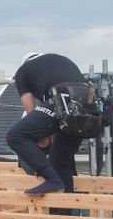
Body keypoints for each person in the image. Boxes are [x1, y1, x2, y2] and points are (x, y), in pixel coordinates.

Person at [5, 52, 85, 195]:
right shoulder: (58, 62)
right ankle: (64, 208)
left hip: (65, 99)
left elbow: (30, 111)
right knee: (60, 160)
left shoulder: (23, 73)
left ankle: (53, 181)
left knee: (16, 136)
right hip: (88, 106)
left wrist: (42, 140)